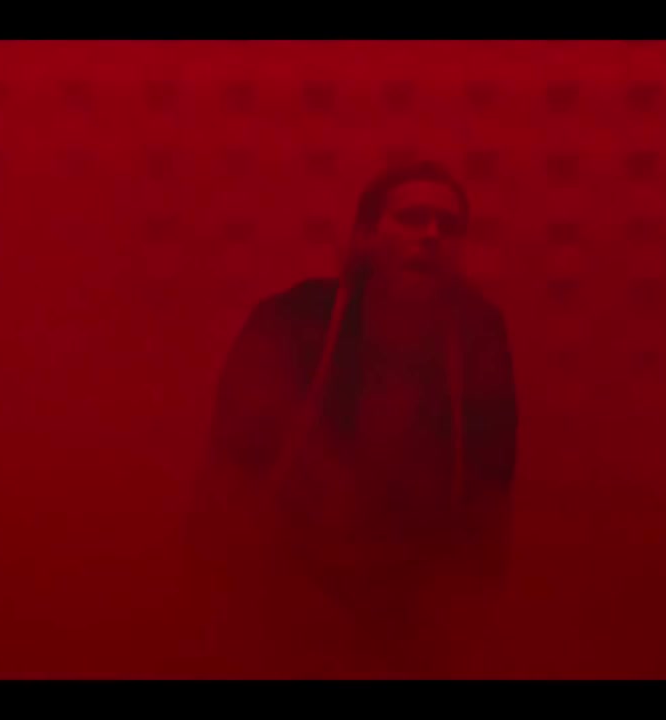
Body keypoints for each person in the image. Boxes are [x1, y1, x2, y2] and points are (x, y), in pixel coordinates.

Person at [188, 161, 518, 678]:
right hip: (292, 584)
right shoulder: (295, 320)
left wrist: (474, 607)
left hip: (413, 597)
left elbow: (490, 483)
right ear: (366, 236)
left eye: (449, 225)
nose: (432, 234)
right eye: (413, 218)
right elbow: (229, 467)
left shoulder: (476, 334)